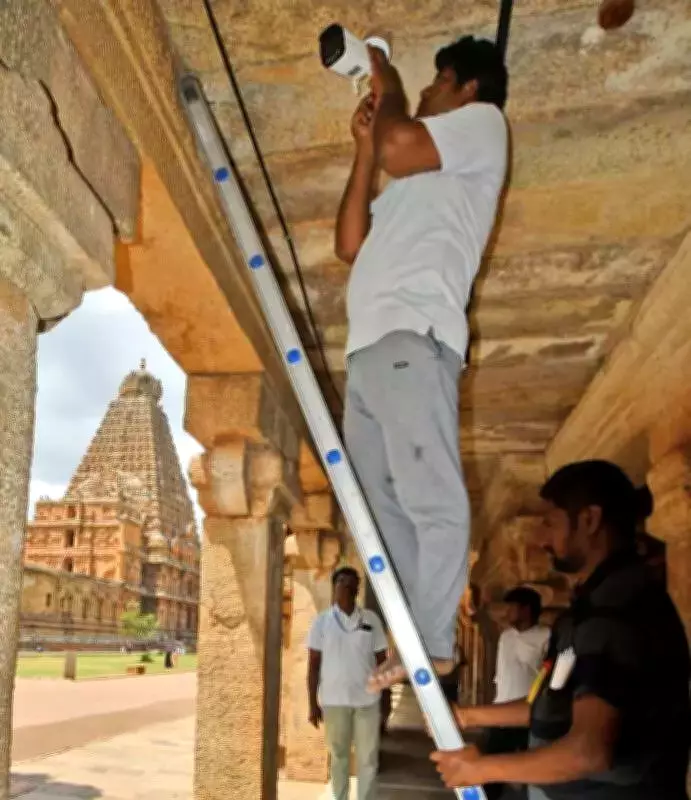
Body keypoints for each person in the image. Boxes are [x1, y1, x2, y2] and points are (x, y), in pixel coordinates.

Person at [337, 35, 509, 691]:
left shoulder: (483, 125)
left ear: (468, 88)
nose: (430, 92)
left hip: (414, 335)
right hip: (368, 350)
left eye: (439, 81)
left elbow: (400, 143)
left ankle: (434, 643)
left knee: (428, 498)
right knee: (379, 510)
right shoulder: (411, 184)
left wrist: (385, 77)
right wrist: (363, 151)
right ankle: (411, 632)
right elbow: (350, 243)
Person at [430, 460, 691, 799]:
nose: (541, 540)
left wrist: (482, 768)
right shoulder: (589, 609)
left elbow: (588, 751)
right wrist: (466, 716)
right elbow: (550, 706)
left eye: (550, 523)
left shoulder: (616, 611)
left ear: (589, 520)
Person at [307, 567, 388, 800]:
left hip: (368, 702)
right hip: (334, 701)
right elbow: (313, 665)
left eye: (351, 583)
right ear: (334, 587)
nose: (346, 586)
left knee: (368, 759)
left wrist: (386, 698)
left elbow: (383, 662)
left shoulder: (371, 620)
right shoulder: (321, 622)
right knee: (339, 756)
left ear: (357, 589)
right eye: (341, 582)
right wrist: (312, 704)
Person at [485, 587, 550, 800]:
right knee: (490, 771)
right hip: (501, 713)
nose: (507, 613)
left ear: (526, 610)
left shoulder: (546, 636)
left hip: (529, 714)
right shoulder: (506, 637)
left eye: (511, 608)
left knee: (530, 770)